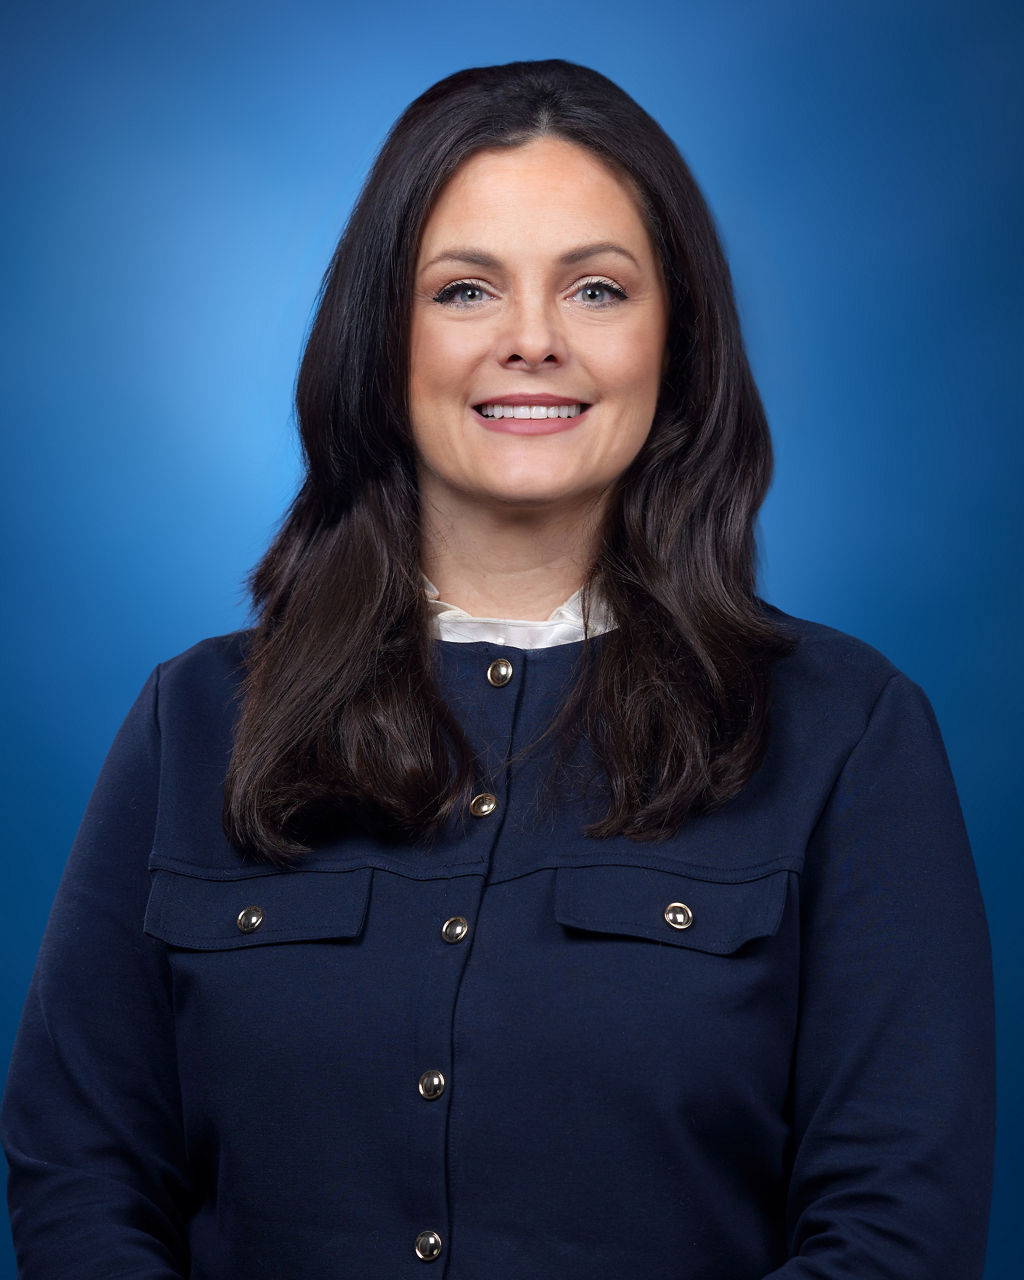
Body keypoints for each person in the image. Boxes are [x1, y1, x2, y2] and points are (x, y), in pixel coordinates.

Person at [2, 59, 995, 1279]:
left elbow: (895, 1227)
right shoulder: (195, 719)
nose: (532, 340)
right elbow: (79, 1170)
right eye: (465, 289)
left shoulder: (849, 732)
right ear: (383, 340)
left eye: (595, 287)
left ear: (674, 341)